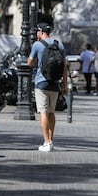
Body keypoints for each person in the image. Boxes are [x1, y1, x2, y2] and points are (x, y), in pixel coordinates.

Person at [27, 23, 67, 152]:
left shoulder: (37, 45)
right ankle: (51, 140)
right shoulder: (59, 45)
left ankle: (46, 142)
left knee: (43, 112)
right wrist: (65, 84)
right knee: (51, 112)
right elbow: (64, 67)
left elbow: (29, 62)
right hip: (55, 83)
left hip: (41, 83)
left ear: (40, 32)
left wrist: (34, 63)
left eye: (37, 32)